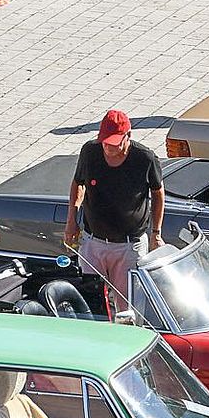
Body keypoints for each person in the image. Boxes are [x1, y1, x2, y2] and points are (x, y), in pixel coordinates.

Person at [64, 110, 165, 313]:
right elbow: (78, 183)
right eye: (105, 142)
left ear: (128, 136)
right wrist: (71, 221)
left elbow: (158, 192)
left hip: (129, 246)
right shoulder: (90, 152)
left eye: (114, 142)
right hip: (93, 242)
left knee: (128, 307)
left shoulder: (144, 158)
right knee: (91, 301)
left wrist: (156, 233)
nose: (108, 147)